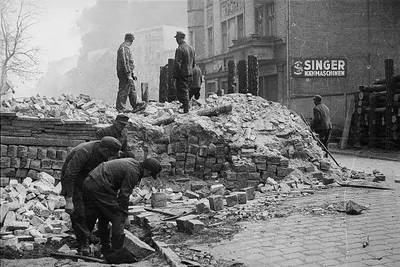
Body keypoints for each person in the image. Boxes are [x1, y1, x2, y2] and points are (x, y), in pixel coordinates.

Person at [83, 157, 162, 260]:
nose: (147, 177)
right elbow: (124, 195)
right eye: (149, 175)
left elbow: (117, 186)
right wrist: (124, 214)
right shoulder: (134, 172)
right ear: (147, 170)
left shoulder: (133, 163)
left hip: (91, 181)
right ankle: (117, 252)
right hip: (98, 185)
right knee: (117, 217)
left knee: (105, 215)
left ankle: (105, 249)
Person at [61, 136, 122, 256]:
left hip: (89, 181)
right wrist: (69, 199)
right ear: (104, 150)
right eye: (109, 154)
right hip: (73, 181)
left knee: (92, 211)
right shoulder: (84, 152)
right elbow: (69, 175)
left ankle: (88, 238)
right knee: (78, 212)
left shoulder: (105, 152)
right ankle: (83, 244)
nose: (109, 157)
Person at [173, 31, 195, 113]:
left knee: (183, 90)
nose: (176, 40)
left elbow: (177, 63)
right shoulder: (191, 49)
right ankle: (185, 105)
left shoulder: (180, 49)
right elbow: (193, 63)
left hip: (182, 73)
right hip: (190, 73)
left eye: (176, 38)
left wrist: (174, 75)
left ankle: (186, 109)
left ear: (178, 38)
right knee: (187, 90)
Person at [116, 33, 137, 112]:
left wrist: (132, 74)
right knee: (124, 89)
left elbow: (128, 63)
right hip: (124, 73)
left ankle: (135, 104)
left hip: (127, 73)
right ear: (131, 40)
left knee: (131, 88)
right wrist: (128, 74)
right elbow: (125, 62)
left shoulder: (125, 48)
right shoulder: (124, 48)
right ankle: (120, 108)